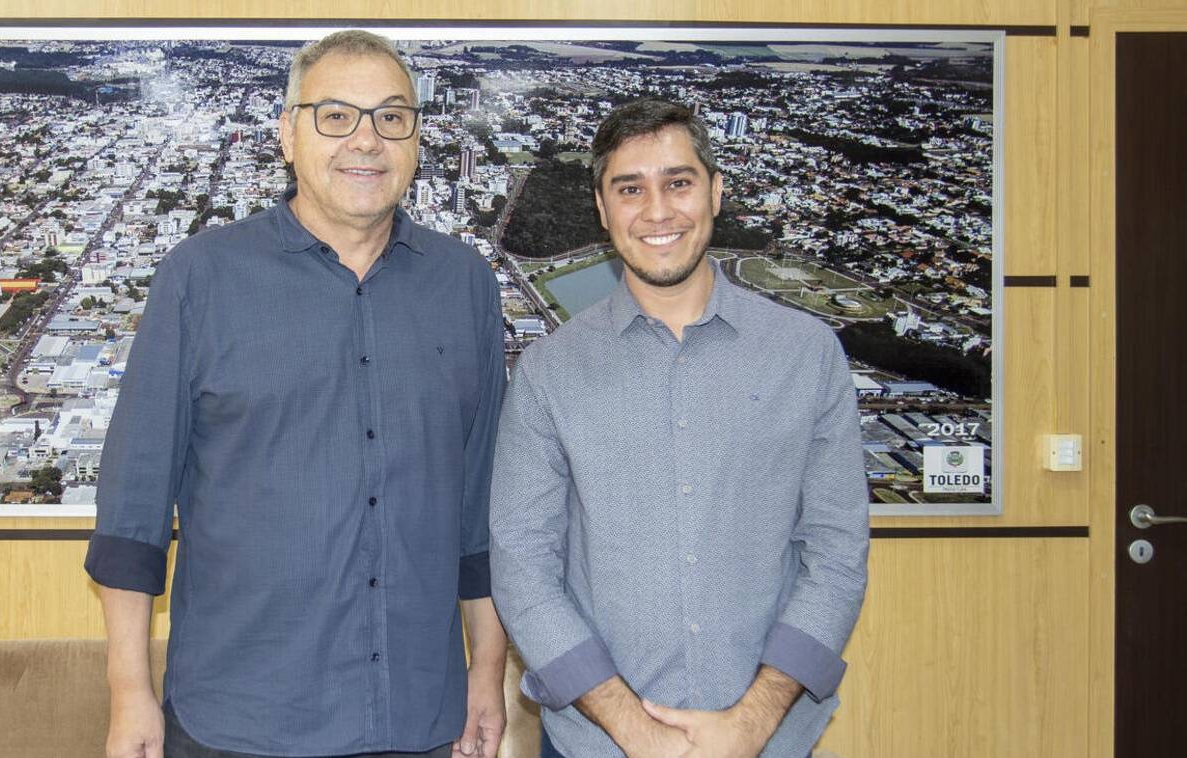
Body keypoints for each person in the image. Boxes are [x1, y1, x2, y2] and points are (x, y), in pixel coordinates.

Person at [85, 30, 508, 758]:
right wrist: (130, 698)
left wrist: (487, 676)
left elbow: (482, 515)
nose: (365, 141)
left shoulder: (464, 285)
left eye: (390, 117)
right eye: (335, 116)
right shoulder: (200, 278)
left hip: (416, 716)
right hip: (237, 721)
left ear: (415, 138)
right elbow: (133, 513)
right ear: (288, 135)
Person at [489, 99, 869, 758]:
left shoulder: (805, 355)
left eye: (678, 182)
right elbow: (523, 570)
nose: (656, 210)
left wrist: (749, 724)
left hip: (769, 742)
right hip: (596, 746)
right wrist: (635, 732)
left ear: (715, 192)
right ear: (602, 210)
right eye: (629, 189)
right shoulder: (549, 373)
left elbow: (835, 559)